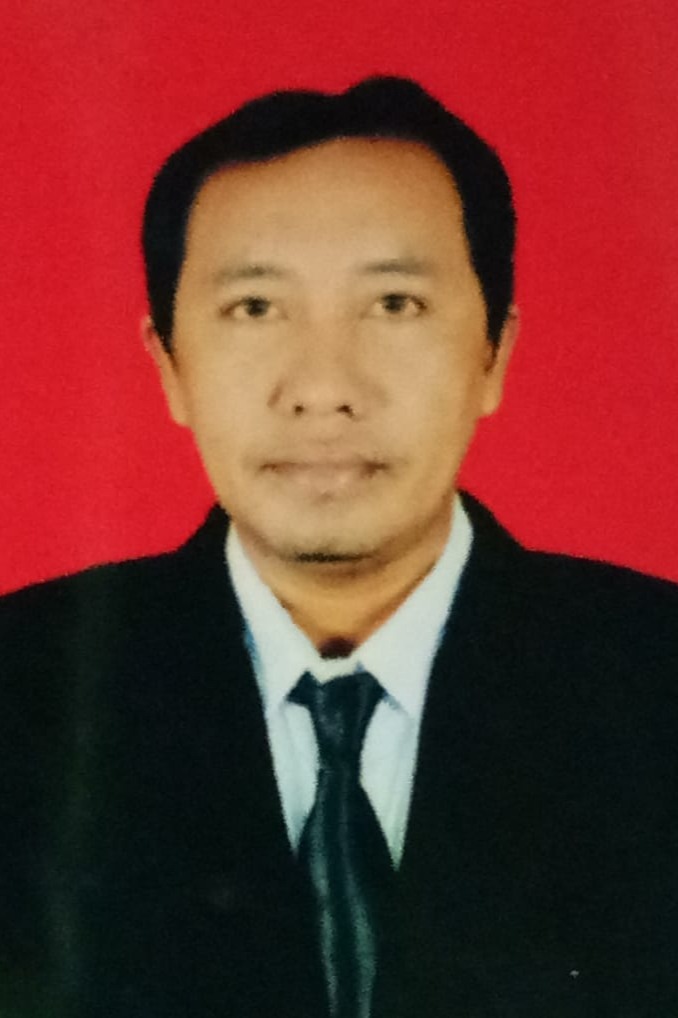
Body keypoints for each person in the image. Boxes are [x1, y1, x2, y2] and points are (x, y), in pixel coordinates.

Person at [1, 76, 677, 1018]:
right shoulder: (27, 689)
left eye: (395, 304)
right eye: (255, 308)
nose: (324, 389)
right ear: (169, 368)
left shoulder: (655, 676)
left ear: (495, 352)